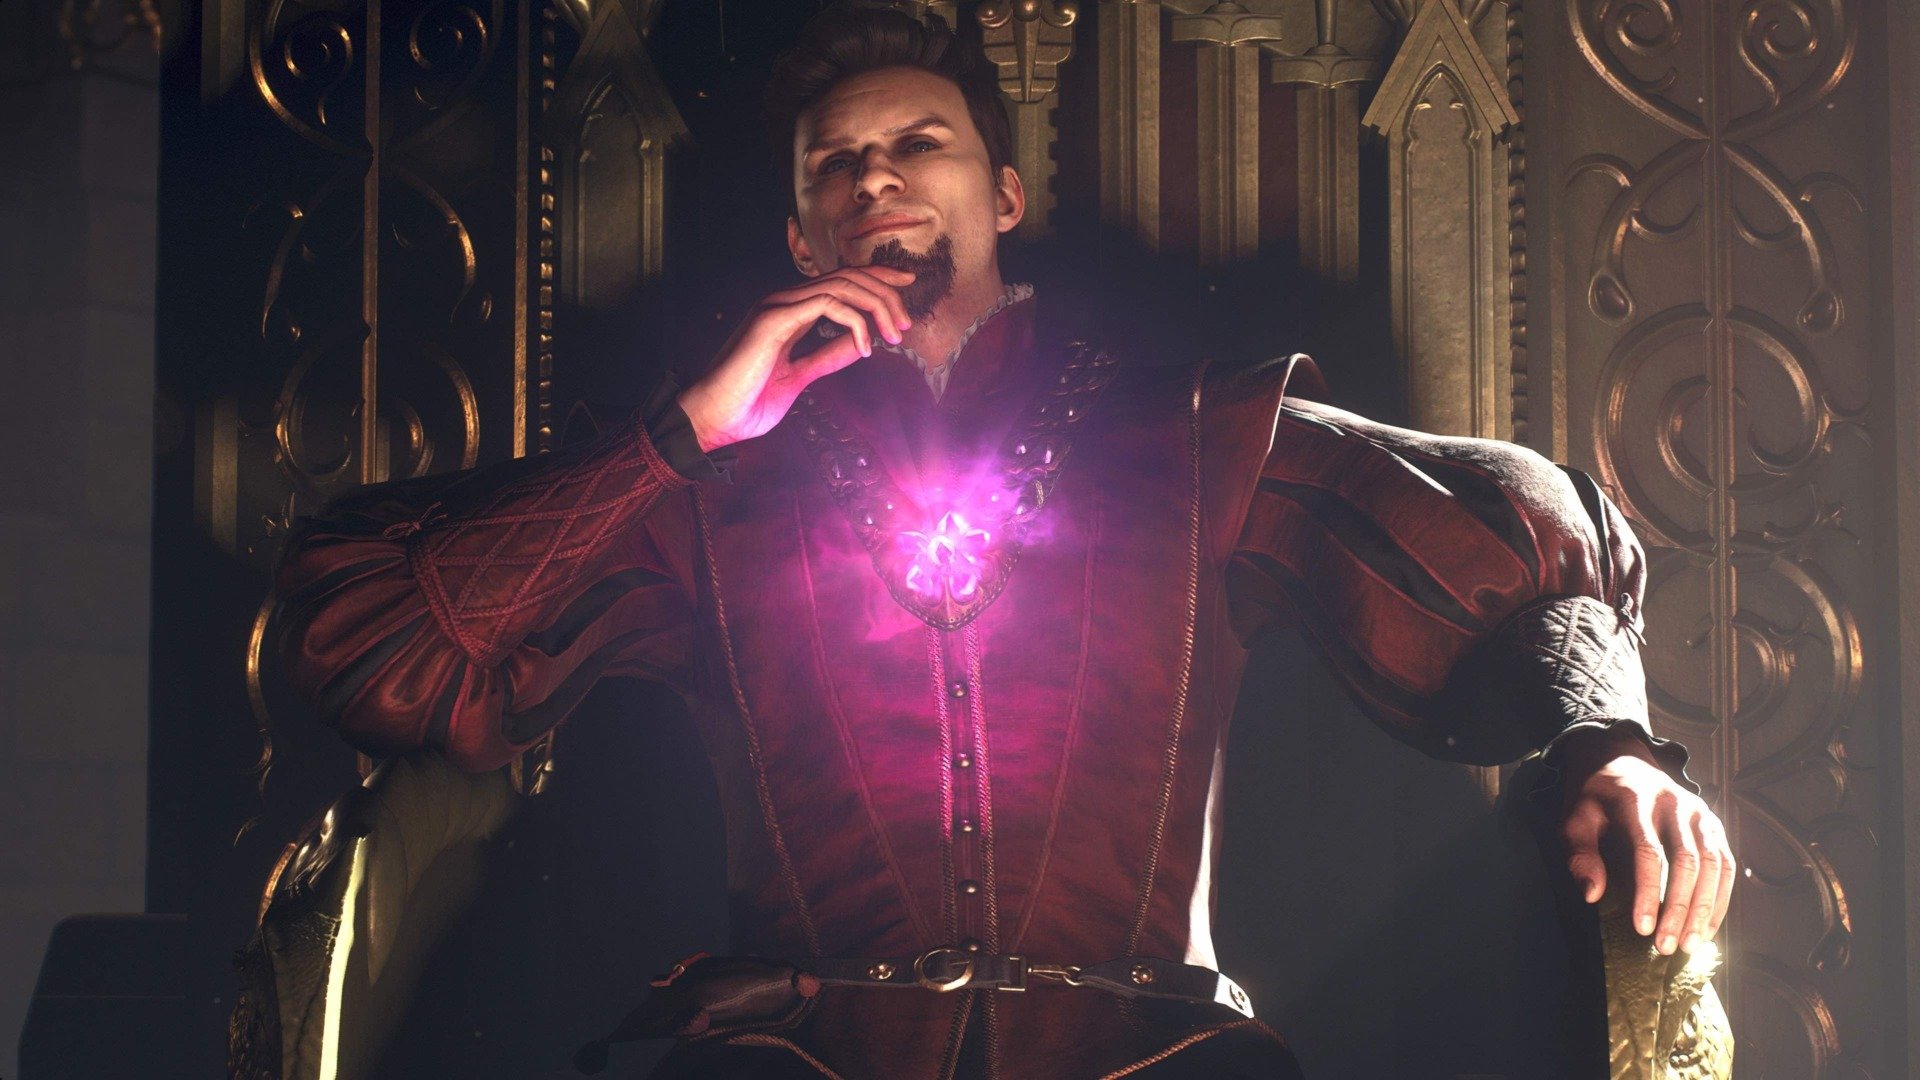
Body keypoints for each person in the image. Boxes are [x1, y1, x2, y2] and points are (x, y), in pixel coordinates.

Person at [273, 8, 1734, 1077]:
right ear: (802, 238)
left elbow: (1511, 537)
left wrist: (1608, 744)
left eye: (921, 145)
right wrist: (688, 431)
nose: (878, 178)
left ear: (1005, 196)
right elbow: (368, 635)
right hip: (791, 1062)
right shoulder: (704, 486)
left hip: (1156, 1058)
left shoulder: (1196, 437)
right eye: (836, 164)